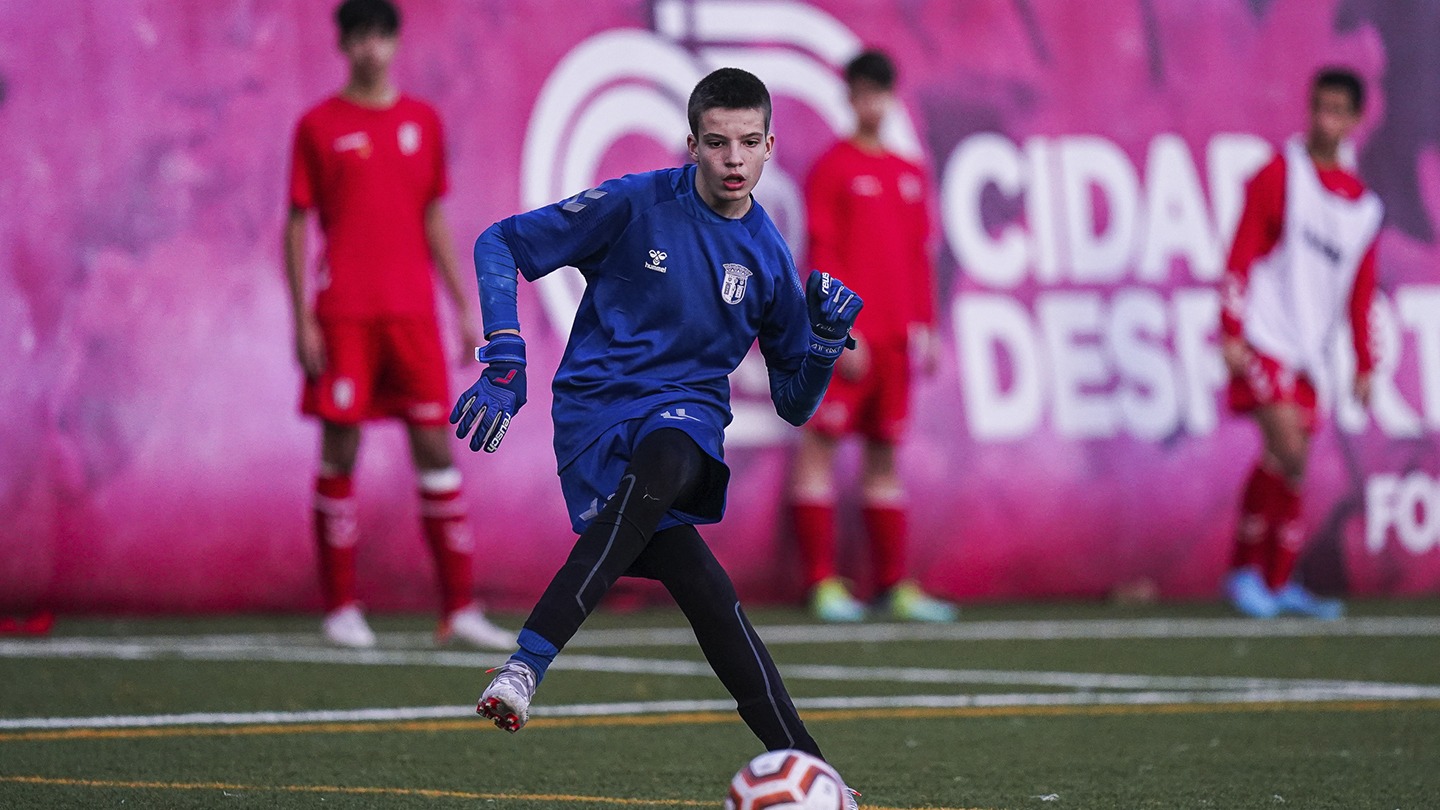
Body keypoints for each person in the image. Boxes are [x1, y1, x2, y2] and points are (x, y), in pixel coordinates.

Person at [451, 67, 862, 806]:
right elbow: (500, 242)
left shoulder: (768, 257)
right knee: (708, 593)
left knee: (676, 473)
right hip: (595, 414)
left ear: (770, 147)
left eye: (747, 143)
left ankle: (527, 665)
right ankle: (812, 768)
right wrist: (505, 353)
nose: (733, 159)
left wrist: (826, 345)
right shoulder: (638, 202)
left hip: (684, 419)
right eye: (715, 143)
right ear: (692, 145)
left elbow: (796, 403)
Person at [284, 0, 512, 650]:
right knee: (339, 449)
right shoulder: (317, 126)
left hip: (412, 314)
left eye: (380, 35)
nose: (370, 48)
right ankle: (340, 608)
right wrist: (302, 318)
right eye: (358, 37)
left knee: (437, 449)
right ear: (344, 45)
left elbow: (433, 215)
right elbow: (297, 225)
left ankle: (461, 607)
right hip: (345, 315)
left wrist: (464, 305)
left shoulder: (423, 122)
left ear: (394, 42)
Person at [788, 50, 955, 623]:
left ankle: (892, 585)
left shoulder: (910, 172)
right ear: (850, 97)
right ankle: (821, 583)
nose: (872, 103)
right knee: (820, 448)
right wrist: (839, 329)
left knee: (884, 460)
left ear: (891, 97)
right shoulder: (831, 168)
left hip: (898, 344)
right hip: (849, 337)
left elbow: (921, 257)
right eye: (863, 92)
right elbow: (821, 252)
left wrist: (927, 327)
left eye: (881, 92)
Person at [1219, 67, 1383, 620]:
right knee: (1287, 447)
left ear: (1356, 120)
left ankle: (1277, 579)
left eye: (1337, 110)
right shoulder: (1279, 174)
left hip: (1311, 351)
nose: (1323, 119)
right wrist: (1231, 325)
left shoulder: (1363, 209)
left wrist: (1365, 361)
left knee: (1291, 463)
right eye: (1318, 106)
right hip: (1265, 334)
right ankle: (1246, 573)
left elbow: (1360, 293)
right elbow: (1241, 251)